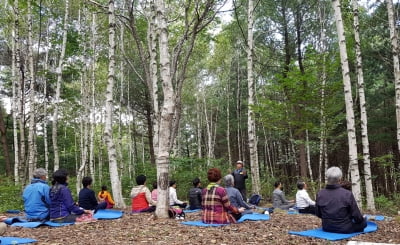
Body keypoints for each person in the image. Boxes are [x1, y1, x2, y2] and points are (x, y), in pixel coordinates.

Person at [316, 166, 367, 233]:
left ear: (327, 178)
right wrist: (362, 220)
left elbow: (318, 214)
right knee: (364, 222)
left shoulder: (320, 194)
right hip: (345, 228)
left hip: (327, 227)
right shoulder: (347, 194)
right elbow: (356, 216)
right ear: (340, 179)